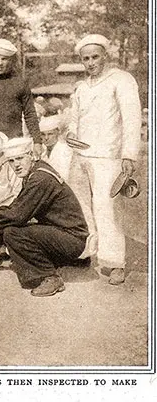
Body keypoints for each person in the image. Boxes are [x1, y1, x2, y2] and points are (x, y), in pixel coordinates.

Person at [68, 34, 141, 285]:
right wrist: (70, 135)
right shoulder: (80, 86)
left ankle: (114, 262)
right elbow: (74, 119)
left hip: (108, 156)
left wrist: (129, 154)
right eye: (85, 59)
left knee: (107, 208)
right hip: (81, 154)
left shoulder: (121, 79)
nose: (90, 63)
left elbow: (132, 118)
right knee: (80, 206)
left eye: (95, 57)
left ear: (105, 56)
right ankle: (88, 252)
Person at [0, 137, 89, 296]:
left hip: (72, 239)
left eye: (20, 158)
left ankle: (49, 277)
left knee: (12, 233)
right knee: (14, 228)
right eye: (11, 161)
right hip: (67, 234)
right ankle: (66, 261)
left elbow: (17, 215)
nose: (16, 164)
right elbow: (19, 205)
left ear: (31, 155)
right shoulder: (36, 171)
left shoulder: (39, 178)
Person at [39, 115, 72, 180]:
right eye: (43, 134)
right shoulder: (43, 153)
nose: (46, 138)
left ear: (57, 133)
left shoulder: (65, 150)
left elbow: (65, 177)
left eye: (50, 134)